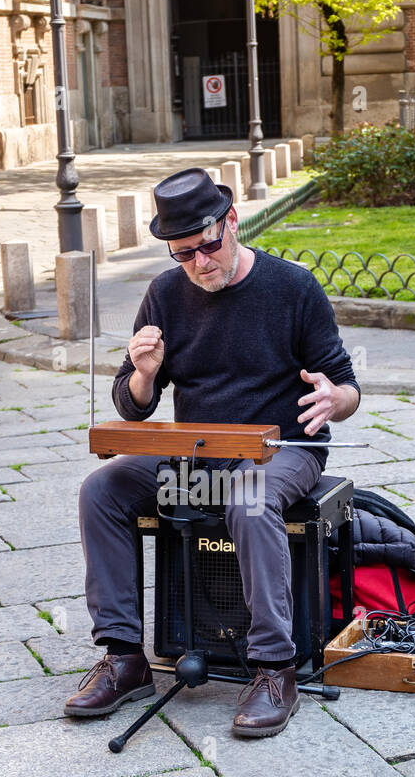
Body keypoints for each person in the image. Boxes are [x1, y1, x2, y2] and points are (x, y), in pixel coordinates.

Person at [65, 166, 360, 737]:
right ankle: (125, 656)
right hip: (198, 451)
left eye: (209, 246)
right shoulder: (164, 294)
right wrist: (146, 374)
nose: (201, 263)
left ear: (231, 222)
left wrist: (333, 399)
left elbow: (346, 387)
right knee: (101, 489)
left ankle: (275, 667)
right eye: (184, 255)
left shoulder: (292, 287)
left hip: (280, 449)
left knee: (249, 499)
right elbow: (131, 407)